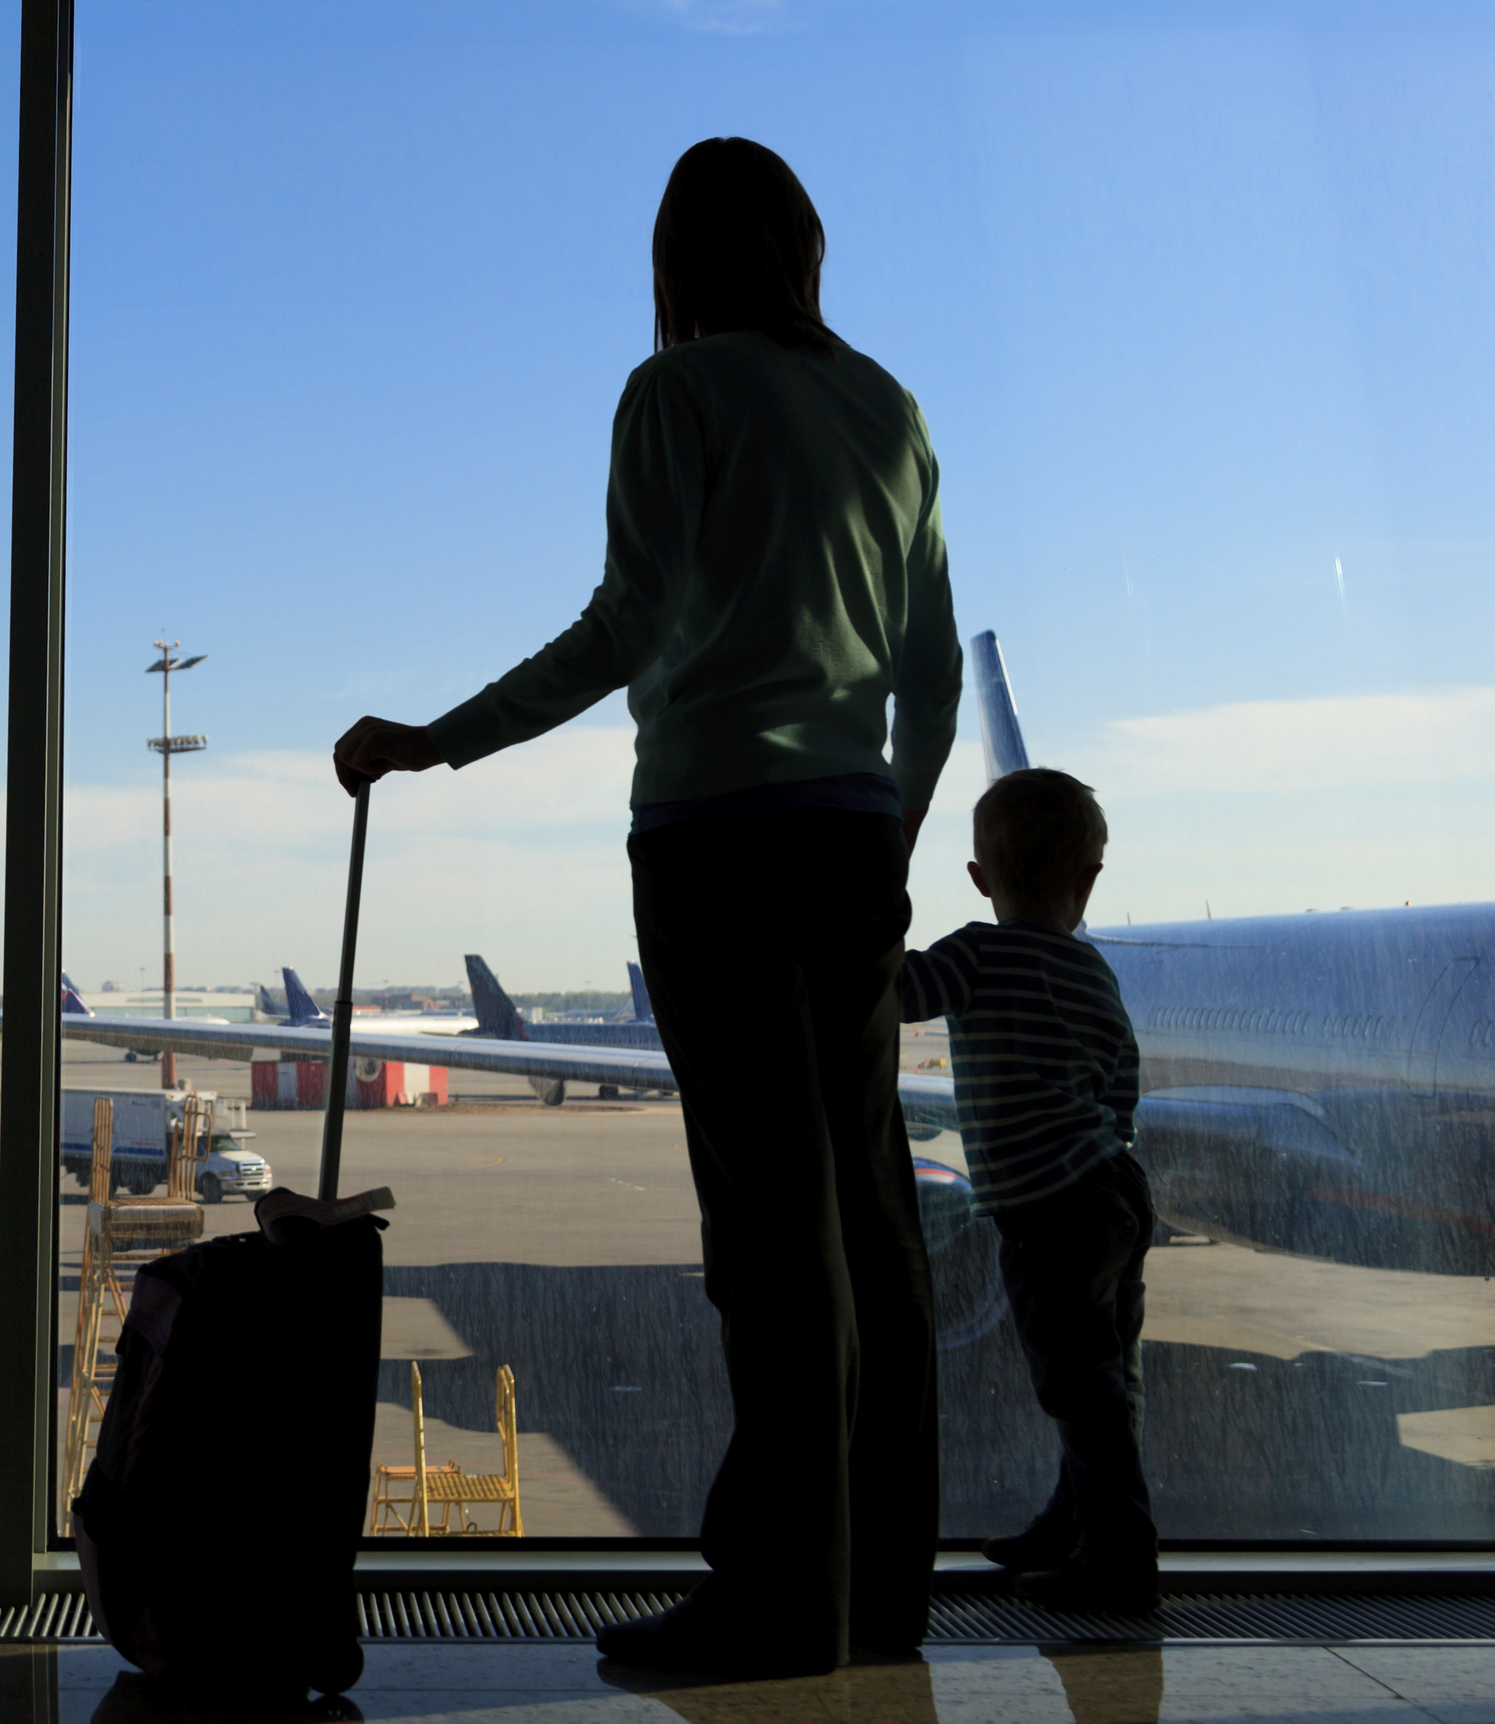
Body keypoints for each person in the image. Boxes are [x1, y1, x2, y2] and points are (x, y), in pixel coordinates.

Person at [334, 136, 959, 1677]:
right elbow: (931, 669)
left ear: (675, 265)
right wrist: (893, 837)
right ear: (807, 250)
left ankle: (772, 1601)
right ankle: (878, 1597)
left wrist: (434, 736)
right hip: (849, 843)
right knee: (873, 1224)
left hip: (715, 844)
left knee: (768, 1230)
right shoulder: (888, 408)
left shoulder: (671, 394)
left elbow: (631, 621)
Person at [899, 768, 1157, 1614]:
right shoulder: (1094, 971)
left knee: (1078, 1387)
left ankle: (1118, 1561)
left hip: (1048, 1208)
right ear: (1089, 881)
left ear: (980, 878)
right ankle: (1071, 1523)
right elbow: (1122, 1079)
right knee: (1108, 1377)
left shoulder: (978, 951)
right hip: (1115, 1189)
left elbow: (900, 993)